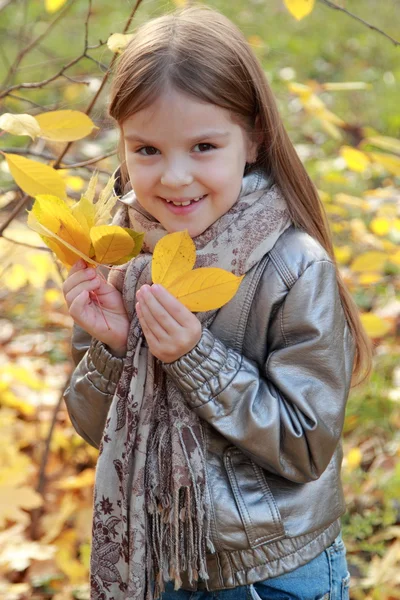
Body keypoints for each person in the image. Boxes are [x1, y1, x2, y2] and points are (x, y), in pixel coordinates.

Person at [62, 6, 372, 600]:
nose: (175, 177)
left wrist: (194, 357)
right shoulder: (118, 255)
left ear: (253, 138)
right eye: (146, 150)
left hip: (270, 573)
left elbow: (305, 444)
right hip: (156, 561)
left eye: (203, 145)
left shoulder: (294, 267)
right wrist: (116, 348)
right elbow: (96, 431)